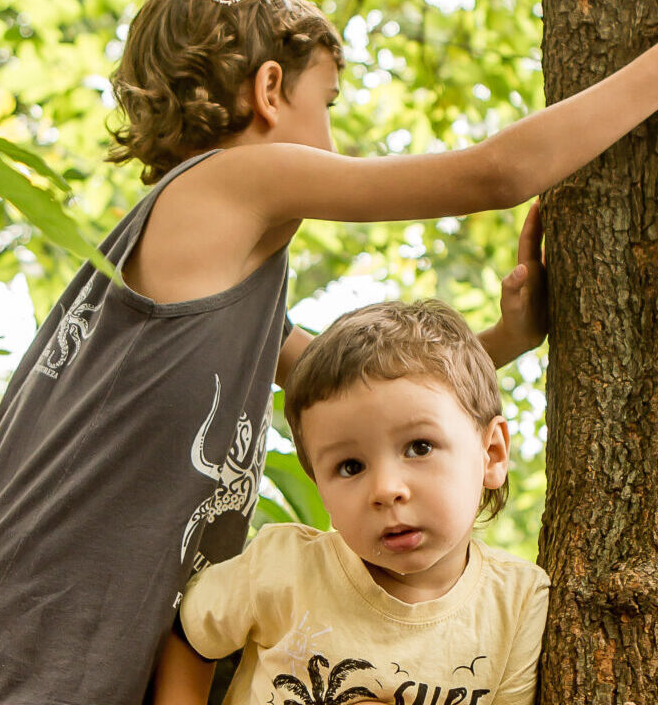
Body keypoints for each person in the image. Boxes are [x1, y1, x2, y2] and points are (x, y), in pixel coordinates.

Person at [0, 0, 658, 705]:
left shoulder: (211, 280)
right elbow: (496, 173)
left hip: (36, 627)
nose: (331, 139)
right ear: (268, 90)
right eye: (324, 105)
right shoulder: (230, 183)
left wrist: (505, 339)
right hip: (42, 634)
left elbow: (351, 397)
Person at [154, 299, 547, 705]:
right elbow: (191, 634)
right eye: (350, 467)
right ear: (320, 487)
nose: (385, 489)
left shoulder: (516, 602)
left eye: (419, 447)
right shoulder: (284, 567)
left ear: (492, 454)